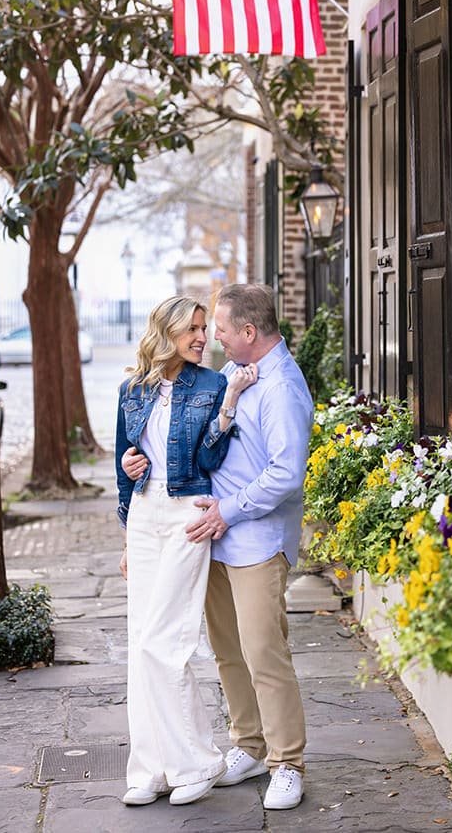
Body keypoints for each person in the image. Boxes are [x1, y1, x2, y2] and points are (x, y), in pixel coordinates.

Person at [122, 284, 313, 810]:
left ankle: (287, 763)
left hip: (254, 541)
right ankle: (249, 745)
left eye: (221, 330)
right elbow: (196, 442)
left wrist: (228, 510)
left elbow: (286, 475)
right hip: (213, 540)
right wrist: (137, 461)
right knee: (228, 653)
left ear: (248, 331)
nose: (214, 339)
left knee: (263, 652)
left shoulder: (282, 388)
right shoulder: (233, 374)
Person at [114, 296, 254, 807]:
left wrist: (229, 403)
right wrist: (127, 527)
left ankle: (196, 763)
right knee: (141, 644)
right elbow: (124, 462)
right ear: (166, 332)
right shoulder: (133, 388)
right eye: (192, 329)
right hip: (144, 517)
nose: (201, 337)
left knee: (166, 642)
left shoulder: (212, 384)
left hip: (186, 516)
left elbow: (211, 458)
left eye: (203, 328)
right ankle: (151, 768)